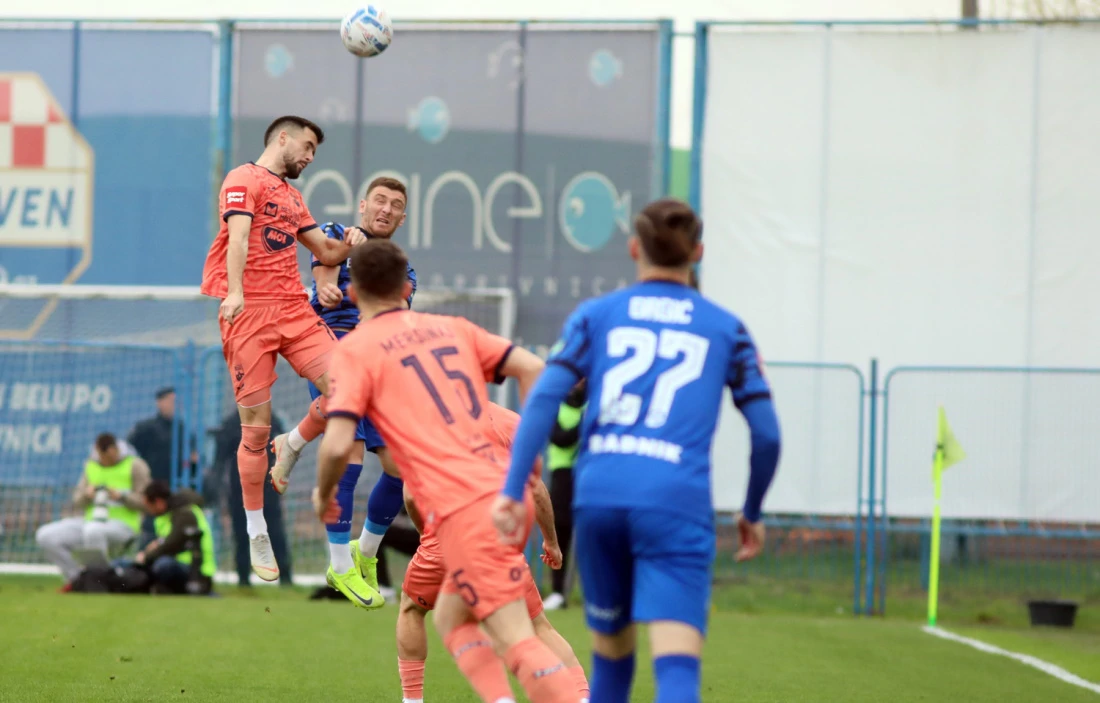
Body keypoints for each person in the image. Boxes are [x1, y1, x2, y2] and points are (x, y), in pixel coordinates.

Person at [494, 198, 783, 703]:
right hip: (676, 500)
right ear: (698, 252)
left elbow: (542, 398)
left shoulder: (598, 315)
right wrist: (752, 511)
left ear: (634, 248)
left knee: (611, 667)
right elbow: (767, 435)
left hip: (601, 497)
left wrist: (513, 487)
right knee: (675, 672)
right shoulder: (726, 327)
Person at [315, 239, 578, 703]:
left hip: (462, 506)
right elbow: (536, 368)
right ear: (406, 288)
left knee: (513, 635)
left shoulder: (356, 349)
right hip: (503, 499)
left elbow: (338, 442)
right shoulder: (452, 328)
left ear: (352, 294)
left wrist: (323, 494)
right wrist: (527, 462)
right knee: (453, 619)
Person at [199, 114, 366, 582]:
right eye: (308, 147)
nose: (310, 157)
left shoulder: (293, 197)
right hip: (248, 312)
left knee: (349, 388)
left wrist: (351, 242)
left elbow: (327, 254)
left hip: (293, 310)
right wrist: (234, 291)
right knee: (253, 432)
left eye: (316, 152)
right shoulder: (242, 178)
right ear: (283, 138)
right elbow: (236, 236)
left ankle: (291, 445)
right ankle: (256, 529)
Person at [269, 176, 417, 608]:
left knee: (399, 468)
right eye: (380, 201)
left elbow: (398, 310)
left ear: (403, 218)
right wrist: (328, 284)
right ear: (363, 205)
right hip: (330, 346)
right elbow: (325, 267)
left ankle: (363, 551)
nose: (386, 209)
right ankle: (338, 563)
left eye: (395, 205)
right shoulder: (339, 233)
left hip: (375, 362)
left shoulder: (400, 265)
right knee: (347, 451)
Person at [395, 402, 590, 703]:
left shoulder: (427, 417)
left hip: (447, 533)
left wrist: (427, 535)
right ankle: (580, 697)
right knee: (535, 626)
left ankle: (414, 700)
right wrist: (550, 541)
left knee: (414, 609)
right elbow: (535, 488)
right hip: (496, 539)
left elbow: (410, 492)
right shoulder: (509, 420)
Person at [36, 433, 152, 591]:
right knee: (45, 535)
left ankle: (101, 583)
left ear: (116, 449)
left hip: (124, 526)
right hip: (90, 522)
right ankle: (77, 580)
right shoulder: (91, 465)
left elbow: (148, 502)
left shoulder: (135, 465)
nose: (104, 460)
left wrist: (122, 497)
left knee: (94, 531)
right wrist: (87, 495)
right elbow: (77, 500)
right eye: (101, 456)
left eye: (108, 456)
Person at [206, 410, 294, 587]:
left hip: (267, 488)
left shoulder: (271, 419)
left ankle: (285, 577)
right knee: (241, 533)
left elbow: (283, 451)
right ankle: (243, 578)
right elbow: (220, 460)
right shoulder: (232, 422)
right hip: (240, 490)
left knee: (275, 532)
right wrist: (214, 485)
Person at [127, 386, 197, 546]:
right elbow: (130, 454)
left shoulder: (183, 429)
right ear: (160, 402)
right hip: (153, 488)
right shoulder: (146, 428)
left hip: (175, 489)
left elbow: (193, 459)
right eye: (170, 401)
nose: (174, 405)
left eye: (176, 401)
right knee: (151, 529)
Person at [542, 378, 586, 611]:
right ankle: (559, 592)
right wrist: (586, 424)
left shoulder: (593, 403)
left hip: (590, 473)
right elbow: (560, 438)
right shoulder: (557, 406)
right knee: (562, 531)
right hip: (562, 476)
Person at [134, 481, 216, 595]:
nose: (149, 511)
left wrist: (146, 557)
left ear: (158, 502)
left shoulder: (185, 513)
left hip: (196, 569)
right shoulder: (172, 514)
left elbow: (172, 544)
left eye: (149, 506)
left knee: (162, 565)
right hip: (184, 565)